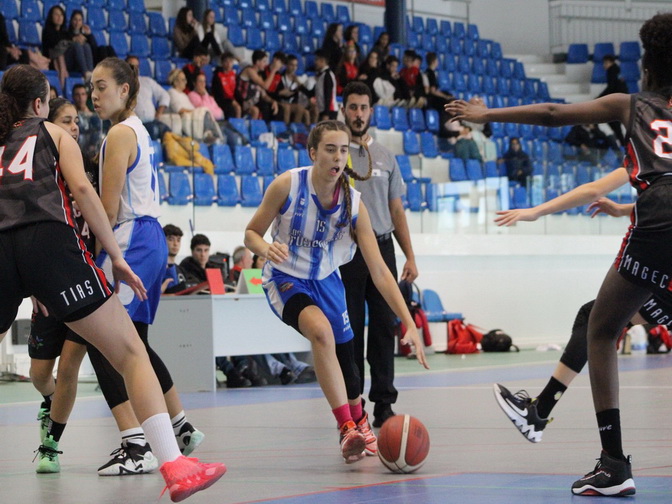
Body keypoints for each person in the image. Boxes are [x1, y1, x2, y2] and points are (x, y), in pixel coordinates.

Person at [446, 12, 672, 497]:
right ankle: (542, 412)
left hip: (657, 223)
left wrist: (486, 116)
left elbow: (552, 113)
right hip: (659, 221)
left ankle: (612, 463)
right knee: (598, 317)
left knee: (601, 328)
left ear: (648, 66)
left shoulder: (632, 104)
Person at [0, 64, 225, 501]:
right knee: (130, 352)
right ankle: (173, 464)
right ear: (41, 103)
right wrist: (115, 257)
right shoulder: (52, 133)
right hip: (51, 246)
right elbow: (85, 193)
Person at [244, 119, 428, 463]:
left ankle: (359, 418)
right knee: (321, 332)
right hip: (286, 277)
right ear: (313, 153)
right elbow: (251, 233)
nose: (338, 157)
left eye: (343, 150)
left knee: (350, 371)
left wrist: (409, 323)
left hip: (328, 281)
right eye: (330, 149)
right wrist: (266, 248)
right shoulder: (287, 185)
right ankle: (347, 428)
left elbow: (380, 272)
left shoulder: (354, 204)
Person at [85, 57, 207, 478]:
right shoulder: (138, 130)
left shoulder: (119, 133)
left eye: (101, 86)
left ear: (125, 90)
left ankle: (136, 444)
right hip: (149, 236)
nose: (94, 95)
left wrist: (89, 251)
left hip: (130, 236)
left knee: (104, 339)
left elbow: (107, 208)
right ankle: (179, 425)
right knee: (135, 342)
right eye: (91, 87)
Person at [492, 165, 672, 444]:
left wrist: (535, 211)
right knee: (594, 318)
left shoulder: (648, 151)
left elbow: (592, 190)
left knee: (596, 322)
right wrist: (624, 210)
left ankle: (541, 413)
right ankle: (539, 411)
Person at [338, 82, 420, 427]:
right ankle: (354, 407)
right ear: (344, 110)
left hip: (383, 248)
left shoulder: (386, 156)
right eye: (353, 107)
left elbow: (396, 209)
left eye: (363, 108)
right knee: (351, 330)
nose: (358, 114)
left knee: (386, 326)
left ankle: (384, 403)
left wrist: (409, 256)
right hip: (346, 251)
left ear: (371, 111)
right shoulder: (336, 152)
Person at [125, 56, 174, 141]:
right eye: (131, 66)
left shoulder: (147, 81)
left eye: (137, 66)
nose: (134, 69)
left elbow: (164, 95)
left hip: (153, 121)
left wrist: (159, 112)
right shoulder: (121, 86)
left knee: (170, 134)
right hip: (136, 125)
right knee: (154, 130)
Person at [236, 50, 279, 120]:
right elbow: (265, 86)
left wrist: (273, 101)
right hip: (242, 102)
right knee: (256, 110)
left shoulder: (259, 76)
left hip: (253, 102)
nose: (265, 64)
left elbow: (264, 95)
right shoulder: (249, 71)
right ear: (257, 62)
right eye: (264, 61)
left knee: (271, 107)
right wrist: (273, 71)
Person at [599, 55, 629, 147]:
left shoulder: (611, 71)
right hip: (622, 98)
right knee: (615, 123)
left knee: (612, 121)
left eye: (605, 63)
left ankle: (623, 144)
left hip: (617, 100)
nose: (604, 65)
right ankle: (623, 143)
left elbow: (611, 87)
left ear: (609, 62)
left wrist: (600, 97)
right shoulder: (617, 70)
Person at [275, 54, 311, 126]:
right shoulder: (279, 77)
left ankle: (296, 128)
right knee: (287, 107)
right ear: (286, 65)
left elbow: (307, 92)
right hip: (280, 102)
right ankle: (286, 129)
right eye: (291, 65)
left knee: (300, 108)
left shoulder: (296, 79)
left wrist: (298, 83)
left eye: (296, 65)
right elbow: (274, 92)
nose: (294, 68)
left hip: (292, 103)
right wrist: (281, 93)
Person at [212, 52, 242, 120]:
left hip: (232, 99)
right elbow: (218, 93)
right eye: (226, 62)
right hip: (222, 100)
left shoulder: (234, 75)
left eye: (231, 61)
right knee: (235, 108)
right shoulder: (217, 76)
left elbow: (236, 91)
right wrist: (231, 101)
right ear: (222, 63)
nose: (228, 64)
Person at [162, 224, 188, 295]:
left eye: (178, 240)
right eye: (171, 239)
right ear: (162, 241)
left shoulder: (181, 270)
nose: (175, 244)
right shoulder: (157, 269)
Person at [313, 50, 338, 121]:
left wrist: (326, 114)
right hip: (323, 111)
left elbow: (328, 94)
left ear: (322, 61)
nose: (315, 62)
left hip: (329, 111)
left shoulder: (327, 75)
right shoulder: (321, 75)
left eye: (316, 60)